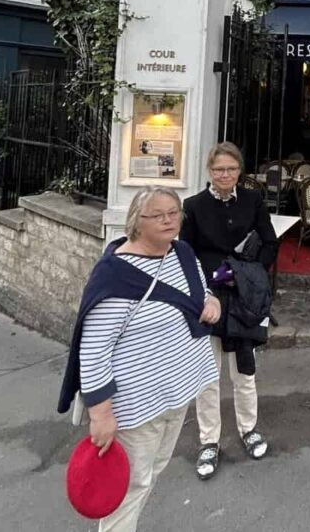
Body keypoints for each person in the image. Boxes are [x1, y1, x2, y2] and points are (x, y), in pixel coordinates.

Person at [58, 187, 221, 532]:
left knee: (152, 473)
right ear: (136, 221)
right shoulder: (115, 274)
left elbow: (200, 291)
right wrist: (100, 414)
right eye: (158, 215)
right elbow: (94, 349)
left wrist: (213, 302)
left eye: (174, 212)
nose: (168, 220)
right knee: (131, 486)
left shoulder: (183, 253)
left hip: (179, 392)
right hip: (136, 404)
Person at [181, 141, 278, 478]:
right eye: (219, 169)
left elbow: (270, 242)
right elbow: (184, 254)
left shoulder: (253, 200)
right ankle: (209, 441)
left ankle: (248, 429)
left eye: (232, 169)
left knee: (244, 370)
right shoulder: (192, 206)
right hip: (208, 298)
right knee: (207, 375)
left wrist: (249, 274)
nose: (225, 175)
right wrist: (203, 286)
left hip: (243, 299)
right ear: (210, 171)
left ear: (240, 171)